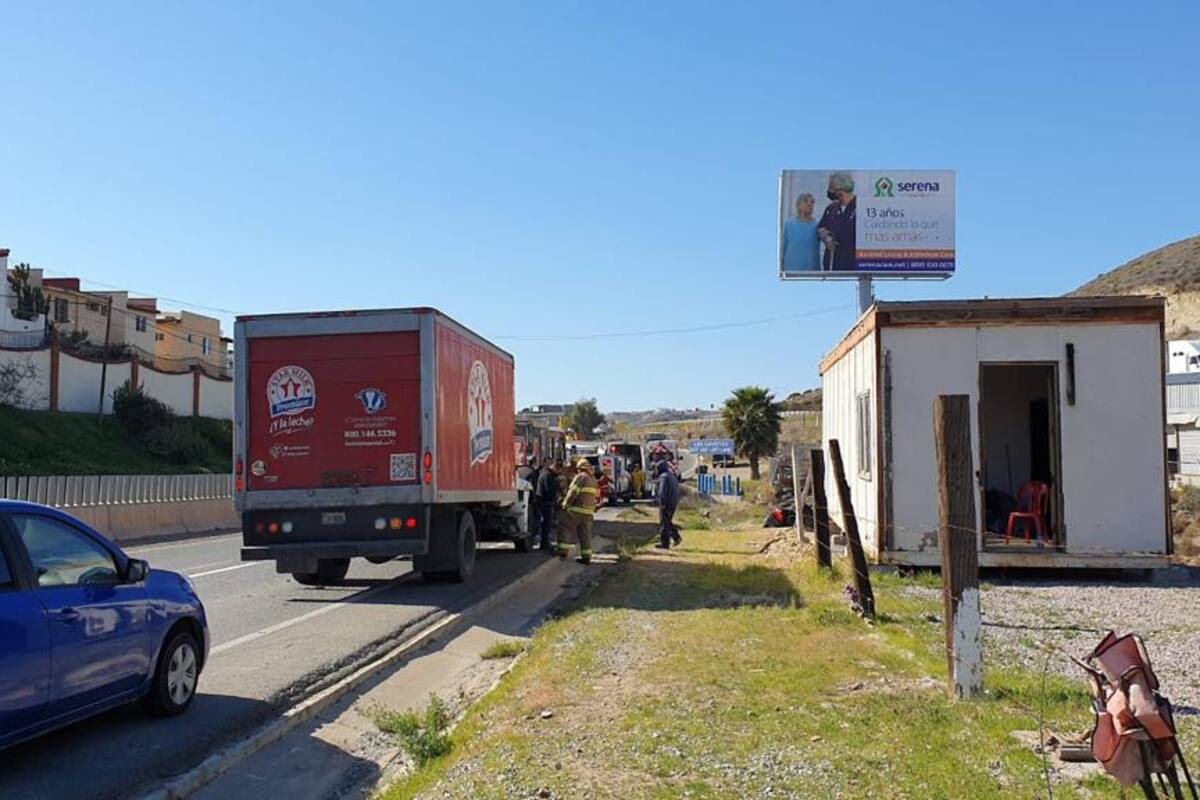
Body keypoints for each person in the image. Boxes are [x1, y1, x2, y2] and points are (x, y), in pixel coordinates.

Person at [558, 457, 597, 564]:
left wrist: (565, 503)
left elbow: (573, 492)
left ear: (580, 468)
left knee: (564, 526)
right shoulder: (593, 479)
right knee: (585, 533)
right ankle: (586, 557)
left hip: (577, 509)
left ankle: (562, 551)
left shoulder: (581, 477)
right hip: (588, 512)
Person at [817, 172, 857, 271]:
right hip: (833, 262)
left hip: (854, 262)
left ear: (840, 189)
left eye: (831, 189)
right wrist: (826, 237)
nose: (829, 192)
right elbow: (821, 228)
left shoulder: (861, 206)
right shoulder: (831, 208)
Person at [781, 193, 820, 272]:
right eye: (805, 201)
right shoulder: (789, 224)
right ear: (798, 205)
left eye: (812, 202)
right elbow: (783, 247)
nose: (809, 204)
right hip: (790, 270)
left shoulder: (818, 225)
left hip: (812, 272)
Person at [654, 459, 681, 549]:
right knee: (668, 521)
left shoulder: (663, 477)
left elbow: (662, 491)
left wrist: (662, 502)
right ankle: (676, 537)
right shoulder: (671, 476)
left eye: (656, 469)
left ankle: (665, 543)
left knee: (664, 523)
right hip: (673, 501)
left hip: (666, 502)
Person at [533, 459, 559, 551]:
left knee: (544, 522)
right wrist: (556, 498)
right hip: (545, 502)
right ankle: (544, 543)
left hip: (542, 501)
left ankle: (543, 542)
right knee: (546, 523)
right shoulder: (548, 475)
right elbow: (549, 490)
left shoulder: (545, 474)